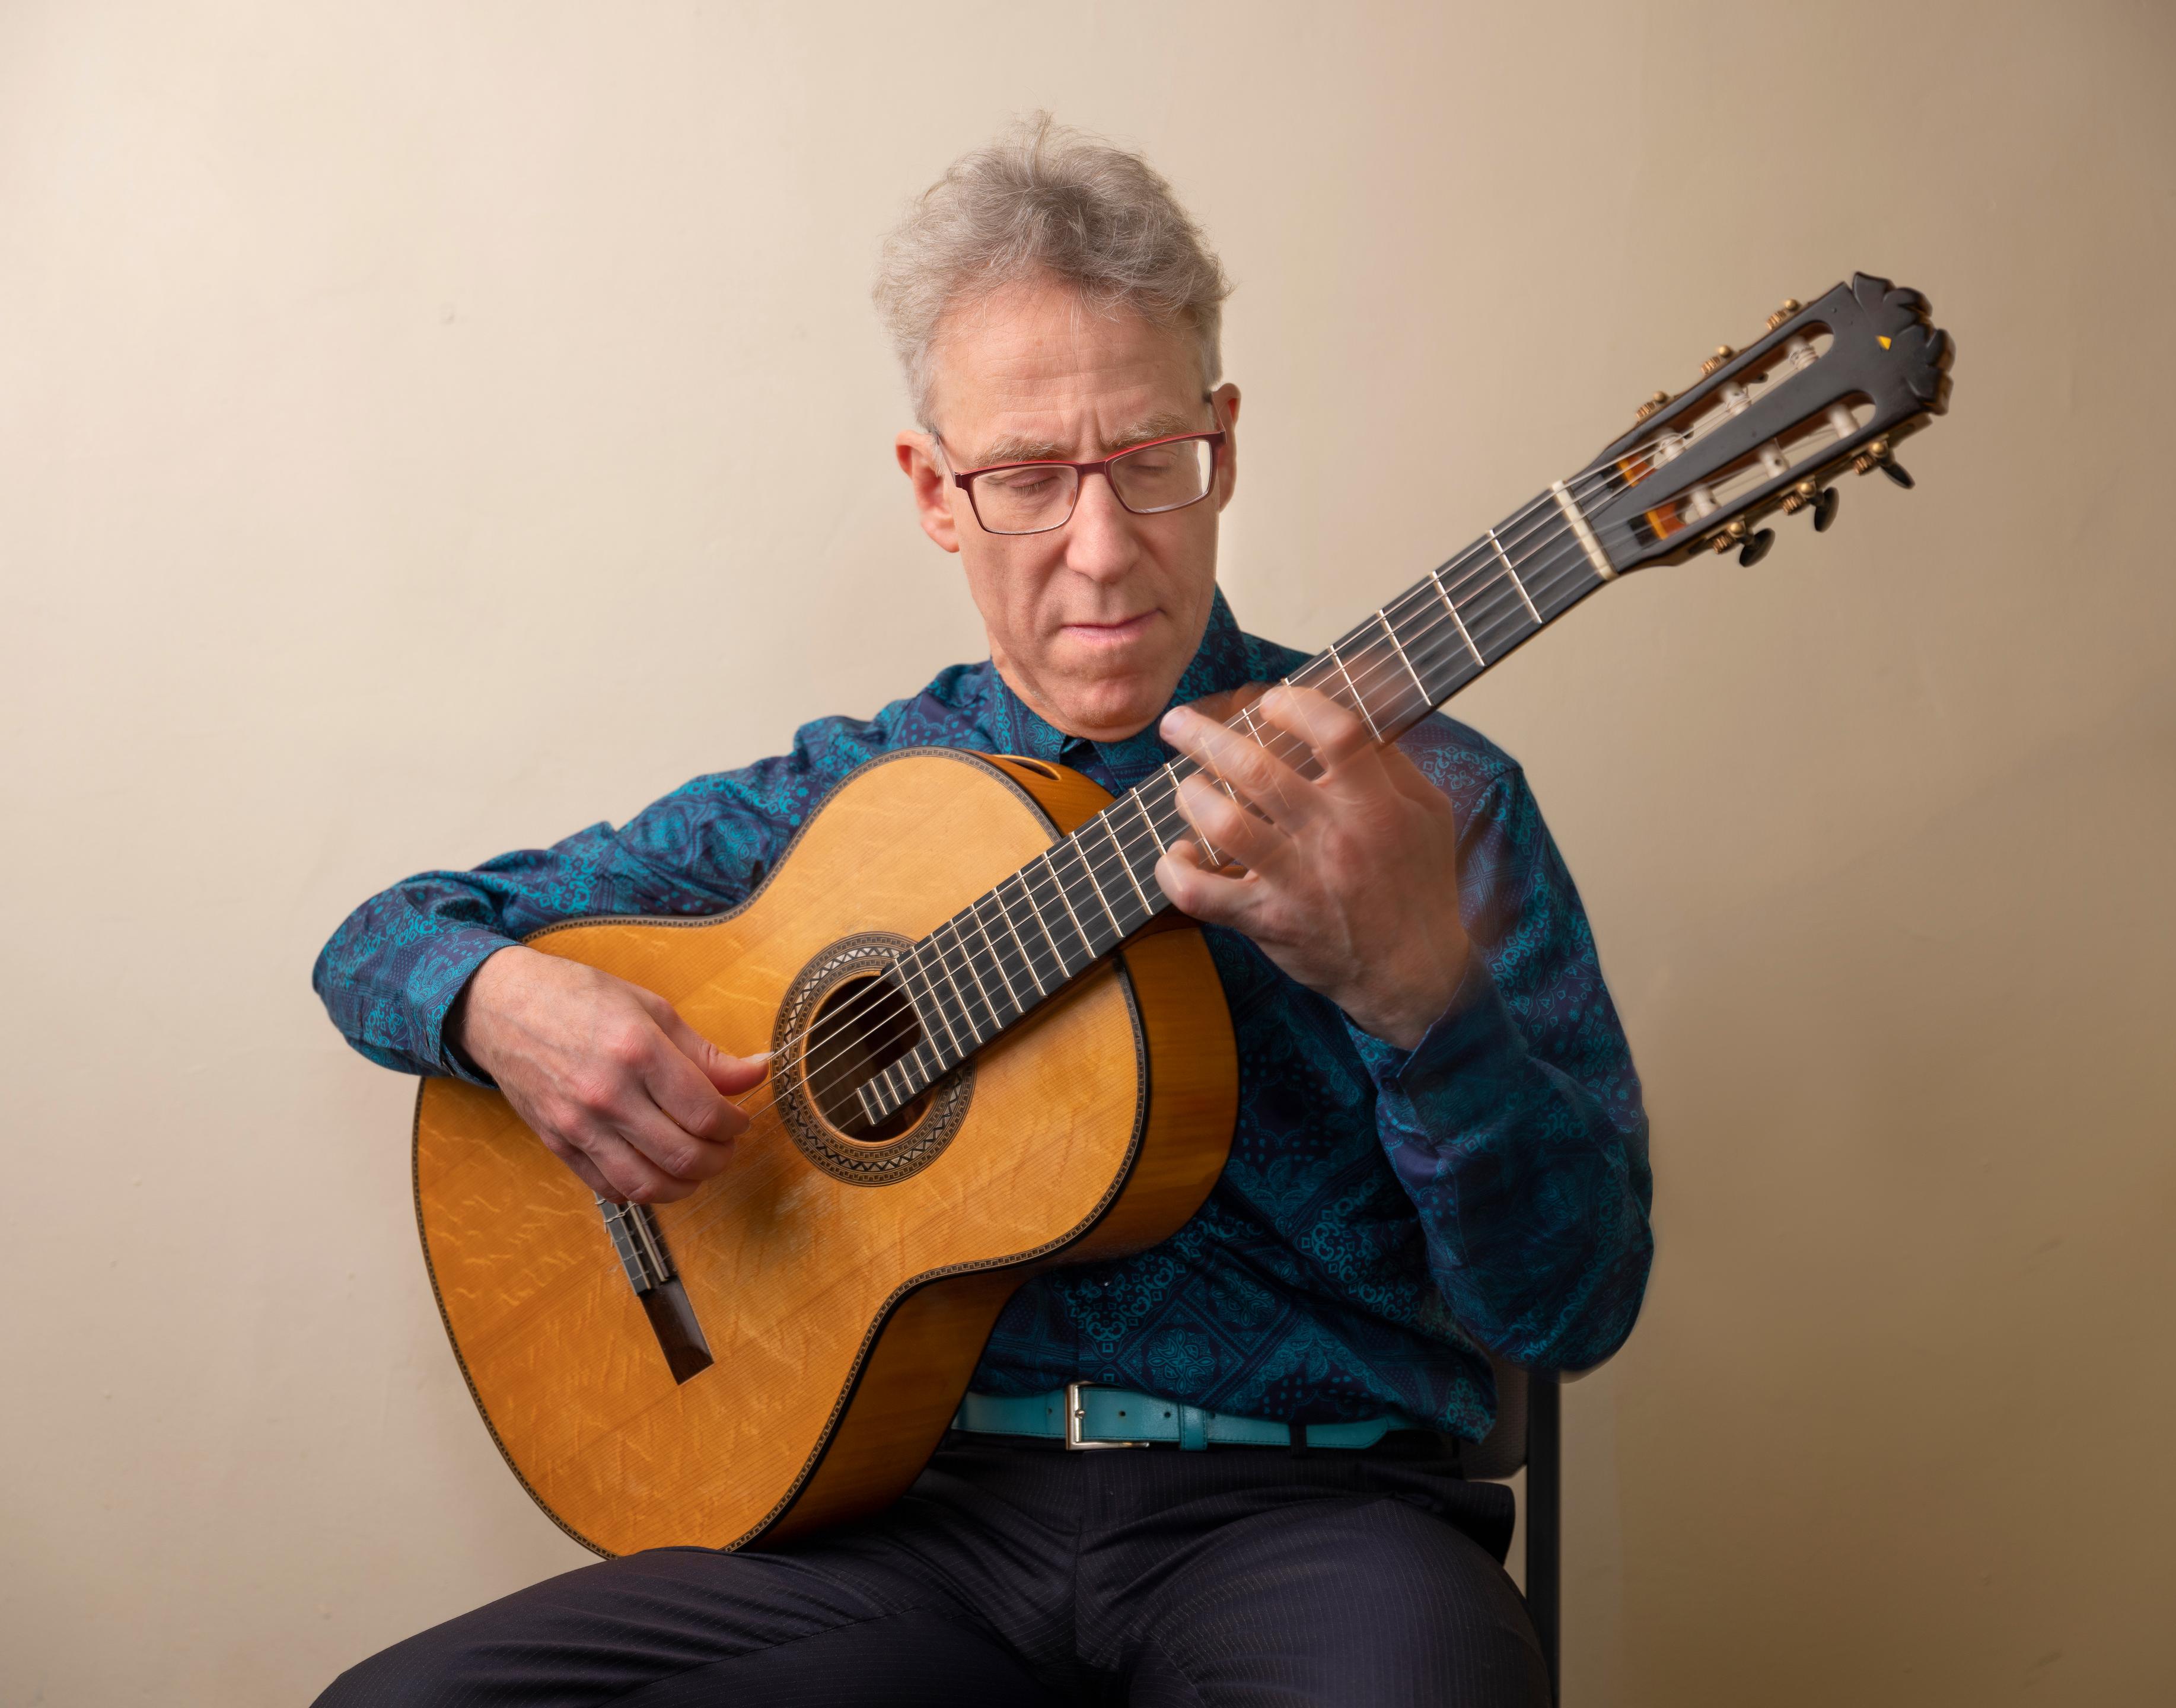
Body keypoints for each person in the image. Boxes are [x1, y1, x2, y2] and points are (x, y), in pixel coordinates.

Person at [312, 116, 1651, 1707]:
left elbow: (1575, 1308)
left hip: (1317, 1520)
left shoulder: (1428, 802)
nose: (1101, 552)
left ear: (1220, 444)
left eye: (1147, 463)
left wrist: (1434, 1006)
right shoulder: (842, 804)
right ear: (935, 493)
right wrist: (503, 1005)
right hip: (907, 1535)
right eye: (1025, 477)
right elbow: (384, 937)